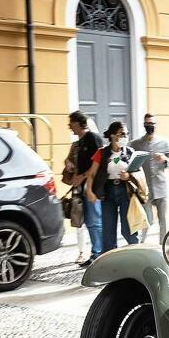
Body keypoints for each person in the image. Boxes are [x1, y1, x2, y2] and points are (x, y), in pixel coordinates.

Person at [85, 121, 140, 251]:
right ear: (113, 135)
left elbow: (138, 173)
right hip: (107, 192)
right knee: (108, 231)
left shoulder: (130, 152)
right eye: (122, 134)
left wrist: (128, 176)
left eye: (126, 134)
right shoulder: (102, 153)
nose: (125, 137)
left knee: (129, 229)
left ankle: (137, 255)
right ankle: (109, 260)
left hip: (125, 191)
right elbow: (91, 174)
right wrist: (89, 191)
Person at [130, 113, 169, 244]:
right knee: (146, 220)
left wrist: (165, 160)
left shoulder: (164, 142)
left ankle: (163, 246)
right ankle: (142, 245)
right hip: (144, 189)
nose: (150, 126)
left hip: (161, 187)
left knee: (164, 220)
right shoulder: (135, 144)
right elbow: (127, 160)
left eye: (152, 124)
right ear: (144, 125)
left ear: (156, 125)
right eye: (147, 124)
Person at [68, 111, 103, 266]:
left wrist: (81, 177)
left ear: (77, 123)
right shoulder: (79, 142)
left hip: (93, 188)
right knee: (89, 222)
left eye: (71, 123)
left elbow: (99, 163)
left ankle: (99, 254)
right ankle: (96, 253)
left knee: (95, 222)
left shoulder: (93, 138)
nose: (69, 126)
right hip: (83, 188)